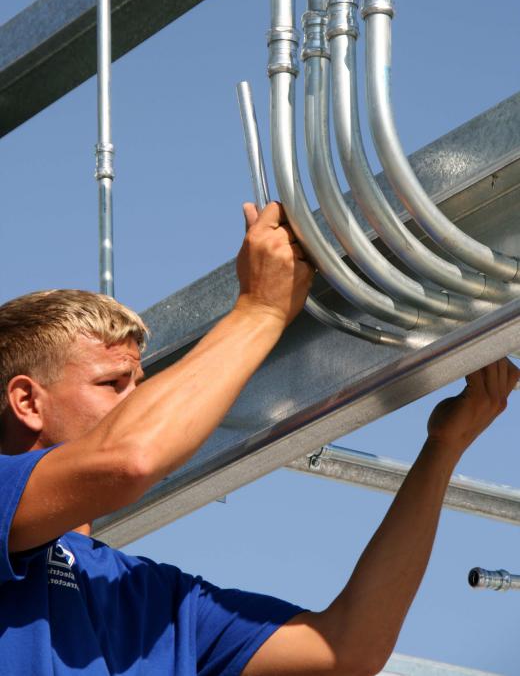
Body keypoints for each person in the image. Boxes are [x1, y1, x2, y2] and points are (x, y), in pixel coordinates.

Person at [0, 201, 517, 676]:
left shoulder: (146, 594)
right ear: (27, 402)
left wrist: (443, 450)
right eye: (113, 384)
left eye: (143, 384)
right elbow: (128, 459)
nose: (140, 403)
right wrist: (261, 311)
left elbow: (347, 648)